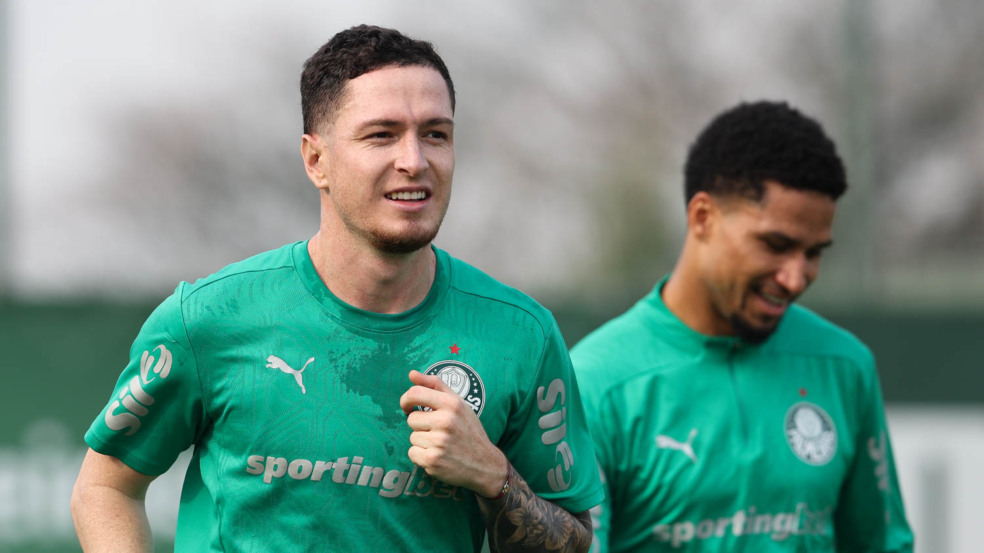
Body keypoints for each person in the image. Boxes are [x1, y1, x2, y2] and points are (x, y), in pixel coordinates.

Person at [71, 24, 602, 553]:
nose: (414, 161)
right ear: (316, 160)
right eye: (382, 135)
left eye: (436, 133)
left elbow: (576, 542)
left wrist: (495, 478)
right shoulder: (208, 318)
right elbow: (104, 488)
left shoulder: (521, 336)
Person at [571, 101, 914, 552]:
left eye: (814, 253)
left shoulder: (845, 366)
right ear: (703, 218)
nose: (795, 277)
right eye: (776, 244)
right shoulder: (597, 380)